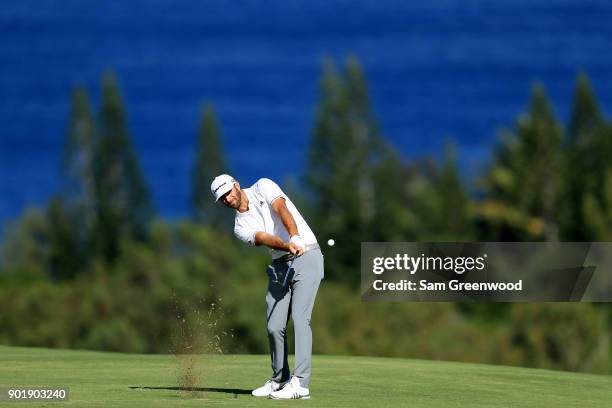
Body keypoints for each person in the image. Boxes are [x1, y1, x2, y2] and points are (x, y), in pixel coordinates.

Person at [211, 174, 324, 400]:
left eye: (228, 192)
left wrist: (295, 236)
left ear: (236, 185)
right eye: (221, 198)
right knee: (274, 326)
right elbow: (262, 237)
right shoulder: (239, 226)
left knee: (301, 319)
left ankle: (301, 384)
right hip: (279, 264)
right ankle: (280, 379)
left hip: (308, 255)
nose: (227, 198)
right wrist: (286, 244)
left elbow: (281, 208)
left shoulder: (263, 186)